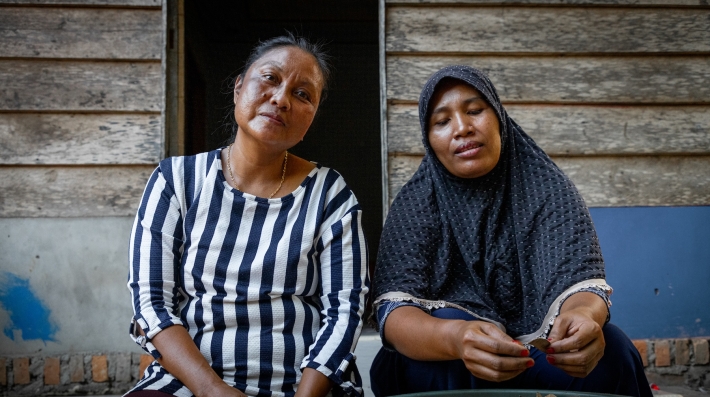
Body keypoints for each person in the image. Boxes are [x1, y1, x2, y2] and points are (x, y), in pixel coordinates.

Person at [370, 65, 652, 397]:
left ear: (499, 119)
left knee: (614, 349)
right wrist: (456, 338)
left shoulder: (548, 189)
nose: (462, 127)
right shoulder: (417, 201)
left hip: (537, 357)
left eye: (475, 110)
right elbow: (394, 313)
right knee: (423, 344)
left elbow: (581, 282)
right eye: (442, 121)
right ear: (429, 140)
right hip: (452, 360)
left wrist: (583, 318)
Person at [126, 34, 369, 397]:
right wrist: (213, 391)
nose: (281, 99)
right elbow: (151, 304)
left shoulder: (329, 194)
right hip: (190, 383)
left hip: (303, 386)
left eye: (302, 94)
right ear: (239, 88)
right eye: (270, 78)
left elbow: (345, 312)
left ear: (311, 118)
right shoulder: (176, 181)